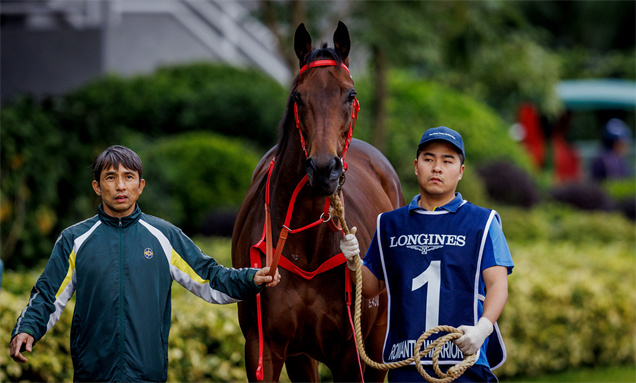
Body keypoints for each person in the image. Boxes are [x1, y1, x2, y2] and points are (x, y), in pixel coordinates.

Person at [9, 145, 281, 382]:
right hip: (91, 374)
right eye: (110, 177)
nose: (120, 186)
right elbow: (47, 296)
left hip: (147, 374)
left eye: (129, 177)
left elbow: (209, 278)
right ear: (96, 186)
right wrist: (27, 329)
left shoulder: (165, 236)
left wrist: (250, 278)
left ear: (140, 186)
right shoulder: (74, 240)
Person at [340, 127, 514, 382]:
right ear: (416, 166)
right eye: (429, 159)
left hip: (465, 360)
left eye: (447, 160)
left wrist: (483, 328)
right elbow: (371, 287)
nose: (437, 167)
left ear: (461, 171)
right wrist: (353, 261)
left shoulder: (483, 222)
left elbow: (497, 284)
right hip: (407, 363)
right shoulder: (389, 224)